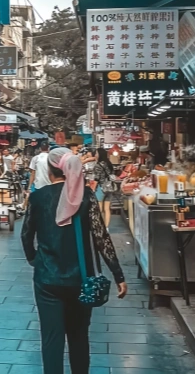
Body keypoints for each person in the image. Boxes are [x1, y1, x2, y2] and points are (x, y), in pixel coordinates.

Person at [22, 148, 127, 374]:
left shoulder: (39, 197)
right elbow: (101, 238)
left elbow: (26, 235)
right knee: (79, 338)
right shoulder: (86, 197)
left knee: (52, 340)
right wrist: (118, 275)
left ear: (50, 171)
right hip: (81, 279)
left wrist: (35, 260)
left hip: (47, 279)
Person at [88, 147, 115, 228]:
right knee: (107, 209)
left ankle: (100, 226)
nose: (95, 155)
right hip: (110, 188)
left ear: (100, 154)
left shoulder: (98, 165)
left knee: (99, 209)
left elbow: (96, 178)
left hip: (101, 188)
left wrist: (92, 189)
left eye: (96, 153)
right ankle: (106, 227)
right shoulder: (109, 164)